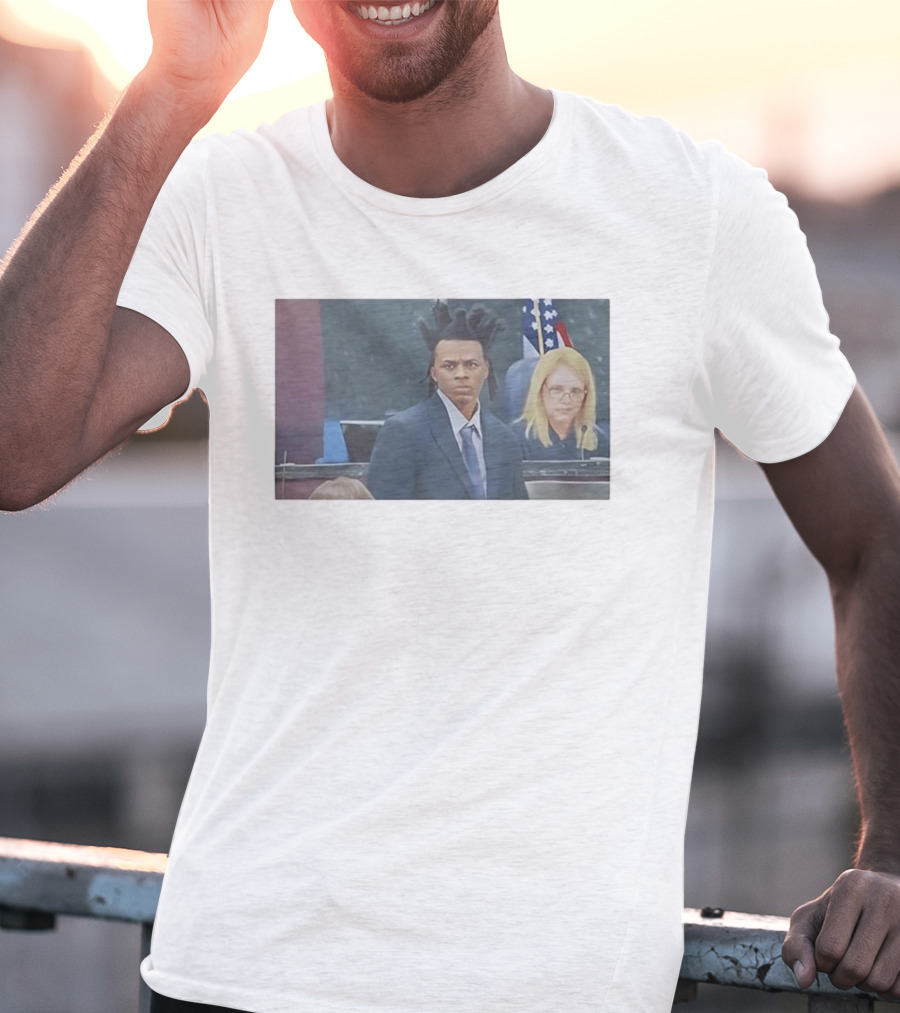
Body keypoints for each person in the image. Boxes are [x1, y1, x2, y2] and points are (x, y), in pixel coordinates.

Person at [1, 2, 900, 1010]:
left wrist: (894, 852)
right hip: (242, 970)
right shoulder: (221, 198)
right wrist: (170, 92)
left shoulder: (692, 212)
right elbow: (14, 447)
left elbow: (875, 537)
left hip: (555, 986)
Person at [367, 303, 527, 499]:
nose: (461, 374)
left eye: (471, 364)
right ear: (434, 373)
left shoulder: (504, 439)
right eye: (449, 366)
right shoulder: (403, 432)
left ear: (485, 370)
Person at [514, 346, 610, 460]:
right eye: (557, 389)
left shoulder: (598, 439)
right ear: (540, 390)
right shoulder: (516, 438)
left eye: (576, 391)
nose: (567, 400)